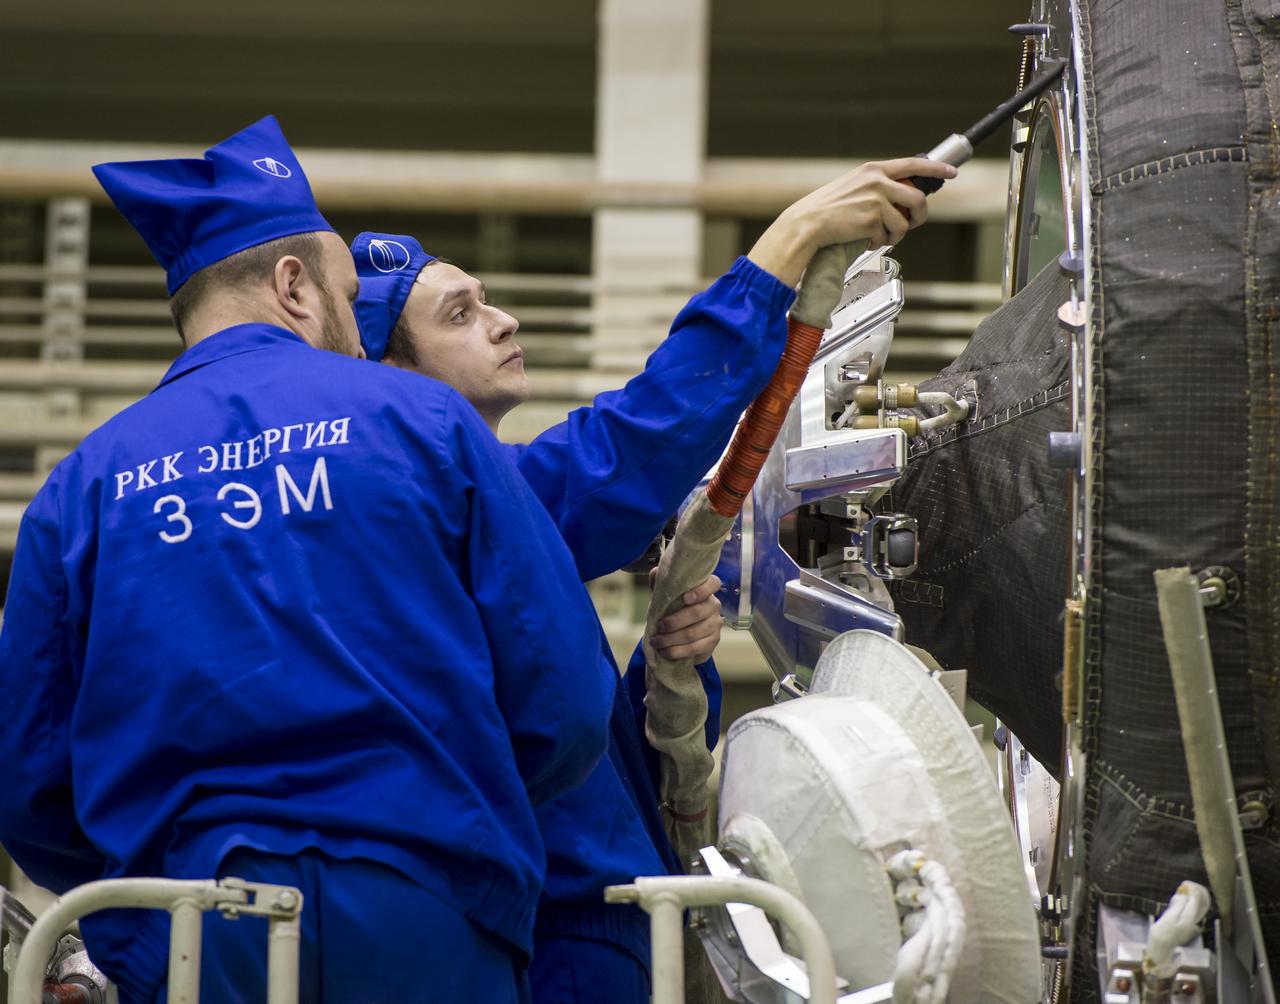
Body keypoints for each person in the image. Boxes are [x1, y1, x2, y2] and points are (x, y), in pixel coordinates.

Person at [0, 116, 619, 1004]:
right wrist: (455, 808)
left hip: (185, 929)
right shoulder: (426, 421)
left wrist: (138, 908)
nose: (360, 338)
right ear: (294, 285)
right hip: (427, 910)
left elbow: (29, 784)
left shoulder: (80, 488)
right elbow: (562, 702)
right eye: (342, 291)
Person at [347, 150, 954, 1003]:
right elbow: (628, 450)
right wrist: (793, 238)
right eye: (462, 315)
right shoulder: (447, 512)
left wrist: (667, 664)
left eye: (486, 300)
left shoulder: (490, 520)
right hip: (552, 940)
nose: (504, 321)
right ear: (394, 380)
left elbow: (595, 765)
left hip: (605, 926)